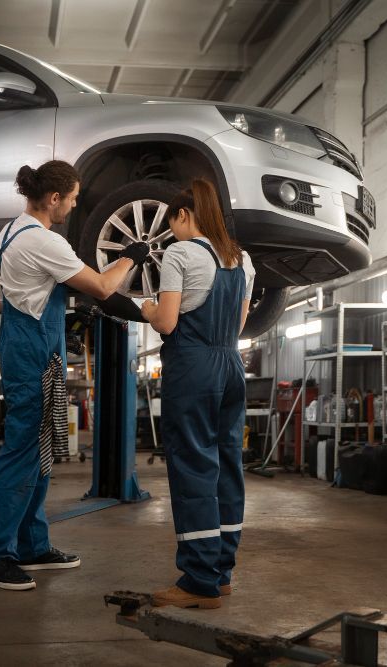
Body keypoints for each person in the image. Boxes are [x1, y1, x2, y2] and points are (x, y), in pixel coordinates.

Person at [0, 160, 150, 591]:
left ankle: (33, 546)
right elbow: (103, 286)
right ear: (54, 198)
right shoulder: (44, 241)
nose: (74, 206)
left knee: (40, 452)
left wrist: (62, 313)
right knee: (21, 453)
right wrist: (131, 256)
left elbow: (4, 303)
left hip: (29, 346)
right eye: (73, 198)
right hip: (34, 355)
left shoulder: (7, 234)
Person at [140, 179, 255, 609]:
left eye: (172, 224)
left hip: (194, 366)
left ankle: (198, 580)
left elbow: (167, 322)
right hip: (230, 363)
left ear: (184, 215)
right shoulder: (242, 259)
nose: (172, 234)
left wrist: (148, 308)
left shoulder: (181, 253)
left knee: (193, 468)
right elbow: (239, 325)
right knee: (227, 466)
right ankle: (221, 571)